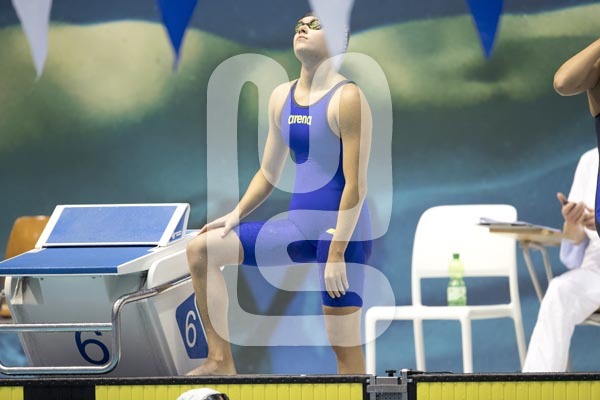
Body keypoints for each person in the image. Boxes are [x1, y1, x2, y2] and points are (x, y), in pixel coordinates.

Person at [185, 13, 372, 375]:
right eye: (300, 24)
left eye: (316, 26)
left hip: (340, 234)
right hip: (297, 228)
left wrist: (337, 251)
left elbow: (356, 185)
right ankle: (220, 361)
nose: (303, 28)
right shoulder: (280, 97)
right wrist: (236, 214)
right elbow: (269, 173)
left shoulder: (348, 98)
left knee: (344, 349)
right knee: (201, 250)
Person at [523, 39, 600, 372]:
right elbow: (563, 81)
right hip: (597, 270)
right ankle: (535, 389)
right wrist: (577, 221)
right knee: (559, 291)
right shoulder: (590, 161)